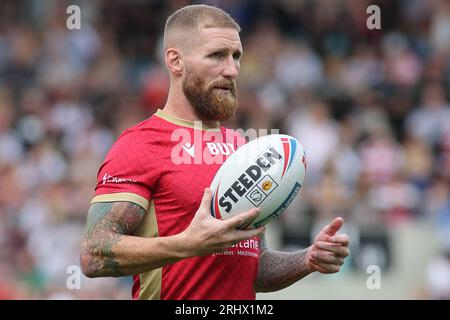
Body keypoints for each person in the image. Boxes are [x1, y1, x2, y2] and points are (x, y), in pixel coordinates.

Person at [80, 4, 350, 300]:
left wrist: (308, 259)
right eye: (217, 55)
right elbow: (94, 254)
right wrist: (187, 243)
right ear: (176, 61)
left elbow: (253, 267)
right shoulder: (140, 144)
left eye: (236, 57)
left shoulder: (242, 149)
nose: (232, 70)